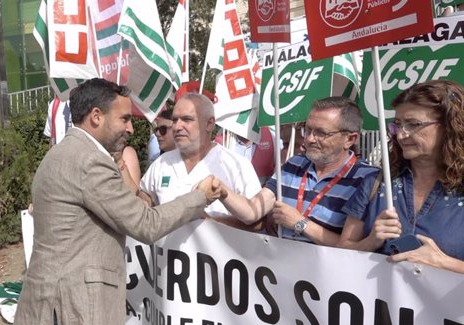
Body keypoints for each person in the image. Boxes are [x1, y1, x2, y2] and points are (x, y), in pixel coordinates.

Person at [12, 78, 224, 325]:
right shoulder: (88, 161)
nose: (130, 128)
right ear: (96, 116)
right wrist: (199, 197)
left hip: (61, 321)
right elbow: (145, 224)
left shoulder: (68, 152)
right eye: (124, 118)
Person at [338, 80, 464, 273]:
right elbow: (341, 252)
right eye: (398, 125)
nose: (401, 135)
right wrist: (370, 241)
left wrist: (444, 263)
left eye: (414, 124)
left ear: (450, 126)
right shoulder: (377, 183)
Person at [220, 96, 380, 245]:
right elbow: (252, 212)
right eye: (308, 130)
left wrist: (300, 223)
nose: (310, 139)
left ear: (350, 139)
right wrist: (222, 192)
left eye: (321, 133)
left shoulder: (368, 179)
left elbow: (350, 248)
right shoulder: (294, 165)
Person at [139, 93, 261, 224]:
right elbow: (145, 194)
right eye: (175, 120)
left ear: (209, 124)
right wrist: (144, 203)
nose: (177, 127)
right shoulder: (161, 163)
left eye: (187, 119)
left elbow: (259, 224)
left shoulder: (236, 165)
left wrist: (211, 223)